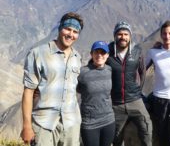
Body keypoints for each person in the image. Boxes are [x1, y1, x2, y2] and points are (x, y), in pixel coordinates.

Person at [21, 12, 84, 146]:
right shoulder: (38, 53)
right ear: (60, 28)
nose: (70, 34)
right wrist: (26, 126)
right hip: (43, 124)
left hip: (71, 123)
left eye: (75, 31)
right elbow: (28, 91)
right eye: (67, 29)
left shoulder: (77, 58)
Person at [106, 21, 152, 146]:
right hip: (116, 103)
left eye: (126, 34)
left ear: (130, 36)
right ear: (115, 35)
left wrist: (138, 90)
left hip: (135, 100)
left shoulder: (137, 51)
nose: (123, 37)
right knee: (115, 136)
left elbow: (142, 72)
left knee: (146, 129)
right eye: (120, 34)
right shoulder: (107, 52)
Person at [77, 41, 115, 146]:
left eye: (102, 52)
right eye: (96, 52)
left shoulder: (110, 70)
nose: (99, 55)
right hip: (89, 123)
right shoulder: (82, 72)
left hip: (108, 120)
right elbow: (76, 89)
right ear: (91, 54)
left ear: (107, 55)